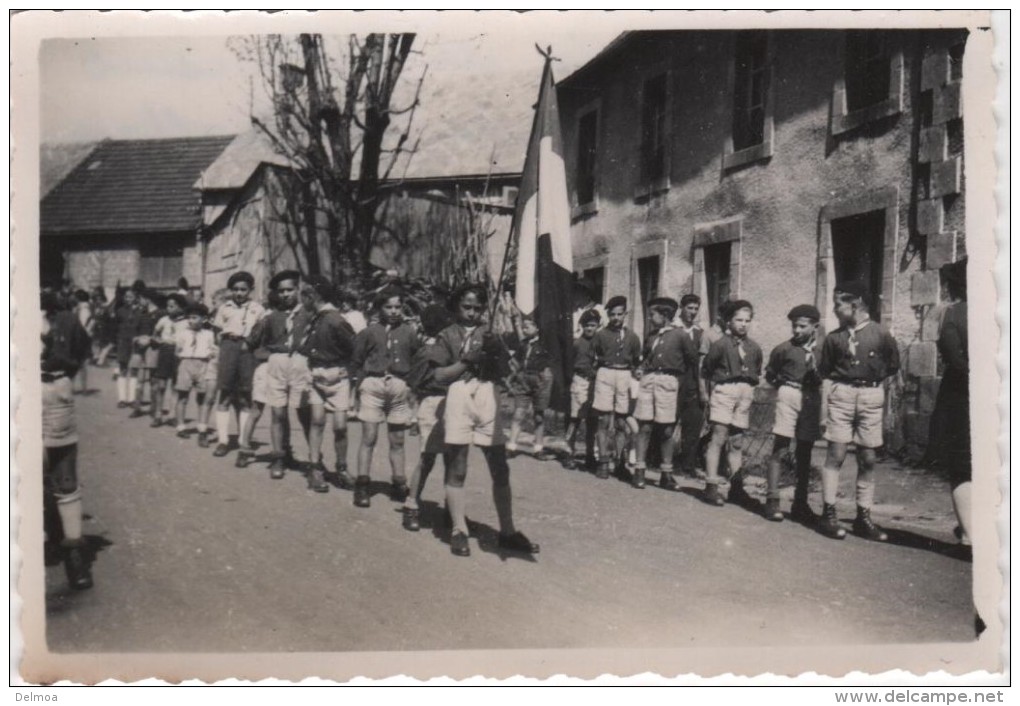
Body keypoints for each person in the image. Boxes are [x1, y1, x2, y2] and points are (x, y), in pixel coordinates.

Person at [435, 283, 539, 557]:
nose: (472, 313)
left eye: (478, 308)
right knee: (457, 465)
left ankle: (507, 530)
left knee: (499, 465)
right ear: (457, 307)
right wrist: (468, 360)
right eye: (466, 307)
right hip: (458, 394)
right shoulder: (446, 335)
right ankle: (459, 529)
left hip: (487, 395)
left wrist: (495, 350)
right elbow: (439, 376)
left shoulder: (492, 334)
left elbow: (507, 370)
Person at [817, 282, 901, 541]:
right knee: (836, 453)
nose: (834, 310)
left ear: (854, 306)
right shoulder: (834, 338)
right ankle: (828, 513)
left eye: (837, 305)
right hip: (842, 394)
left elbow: (892, 365)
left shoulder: (881, 334)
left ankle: (863, 517)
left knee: (867, 458)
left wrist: (871, 384)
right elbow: (825, 370)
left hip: (871, 396)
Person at [41, 290, 94, 590]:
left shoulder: (66, 319)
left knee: (64, 475)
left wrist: (59, 375)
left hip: (53, 395)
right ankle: (40, 540)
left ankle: (74, 551)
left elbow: (80, 351)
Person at [351, 287, 420, 507]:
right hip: (374, 384)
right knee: (369, 437)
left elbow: (417, 360)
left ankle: (399, 481)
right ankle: (362, 484)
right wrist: (356, 390)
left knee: (397, 440)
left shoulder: (409, 332)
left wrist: (411, 388)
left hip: (399, 386)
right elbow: (357, 361)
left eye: (397, 307)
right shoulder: (370, 332)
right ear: (380, 308)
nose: (393, 311)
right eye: (388, 307)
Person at [248, 271, 313, 480]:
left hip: (301, 364)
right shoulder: (271, 317)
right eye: (281, 291)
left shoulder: (309, 314)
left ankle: (314, 460)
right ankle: (279, 456)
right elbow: (252, 341)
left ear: (297, 290)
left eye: (290, 290)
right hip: (277, 364)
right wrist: (266, 355)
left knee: (305, 414)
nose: (285, 294)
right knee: (278, 413)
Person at [764, 304, 824, 523]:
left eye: (802, 326)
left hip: (811, 397)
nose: (797, 331)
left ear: (815, 326)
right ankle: (772, 500)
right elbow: (770, 374)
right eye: (794, 326)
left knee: (805, 449)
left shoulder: (822, 351)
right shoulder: (783, 349)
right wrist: (782, 386)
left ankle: (800, 502)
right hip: (788, 394)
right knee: (780, 446)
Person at [700, 300, 763, 508]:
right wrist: (705, 394)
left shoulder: (754, 347)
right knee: (719, 436)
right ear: (729, 321)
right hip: (725, 391)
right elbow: (706, 370)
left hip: (745, 392)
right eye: (739, 320)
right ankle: (711, 485)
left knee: (737, 441)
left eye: (747, 320)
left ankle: (736, 487)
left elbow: (756, 370)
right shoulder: (720, 344)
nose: (743, 324)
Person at [298, 275, 357, 493]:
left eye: (304, 296)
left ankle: (341, 468)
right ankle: (315, 468)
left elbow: (354, 348)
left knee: (340, 426)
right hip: (316, 375)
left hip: (337, 377)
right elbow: (306, 346)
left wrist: (347, 370)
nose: (302, 300)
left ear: (312, 297)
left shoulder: (335, 320)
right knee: (317, 421)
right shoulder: (314, 318)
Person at [633, 297, 697, 491]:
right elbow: (645, 357)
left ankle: (666, 474)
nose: (650, 318)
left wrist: (683, 386)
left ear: (665, 315)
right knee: (644, 426)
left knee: (667, 429)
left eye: (653, 314)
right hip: (648, 381)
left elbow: (692, 361)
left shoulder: (681, 335)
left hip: (669, 383)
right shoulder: (651, 335)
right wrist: (641, 369)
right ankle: (639, 470)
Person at [401, 304, 452, 531]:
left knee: (449, 459)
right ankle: (411, 504)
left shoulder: (449, 347)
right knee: (428, 457)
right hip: (433, 403)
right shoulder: (429, 350)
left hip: (451, 402)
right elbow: (414, 381)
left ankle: (452, 509)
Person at [932, 259, 971, 547]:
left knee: (963, 467)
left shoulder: (952, 314)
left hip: (962, 399)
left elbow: (955, 361)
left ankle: (970, 533)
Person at [211, 271, 266, 458]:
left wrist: (249, 344)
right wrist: (225, 345)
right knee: (225, 394)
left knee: (245, 396)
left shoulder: (258, 309)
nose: (239, 293)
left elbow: (261, 331)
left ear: (250, 290)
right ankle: (223, 441)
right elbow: (217, 330)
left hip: (247, 349)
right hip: (228, 347)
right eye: (235, 289)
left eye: (243, 289)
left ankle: (244, 440)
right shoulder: (224, 307)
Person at [590, 296, 642, 480]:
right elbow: (591, 357)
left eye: (620, 314)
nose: (616, 318)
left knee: (622, 421)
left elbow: (636, 361)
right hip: (605, 373)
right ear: (608, 315)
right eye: (612, 314)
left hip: (624, 375)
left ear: (625, 315)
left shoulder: (632, 337)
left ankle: (619, 461)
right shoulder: (600, 335)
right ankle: (603, 461)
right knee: (603, 420)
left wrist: (636, 374)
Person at [506, 315, 556, 461]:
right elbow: (515, 361)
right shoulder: (523, 344)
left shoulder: (545, 344)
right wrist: (514, 374)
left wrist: (545, 376)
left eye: (528, 326)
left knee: (539, 416)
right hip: (523, 381)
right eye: (523, 326)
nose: (524, 329)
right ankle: (511, 446)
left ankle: (538, 448)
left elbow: (552, 362)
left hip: (540, 381)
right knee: (518, 414)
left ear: (537, 328)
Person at [673, 294, 709, 479]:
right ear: (682, 307)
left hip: (693, 382)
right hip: (674, 381)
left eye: (696, 309)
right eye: (690, 308)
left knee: (693, 424)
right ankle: (660, 460)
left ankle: (687, 465)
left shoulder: (699, 332)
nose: (693, 312)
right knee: (668, 422)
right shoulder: (672, 329)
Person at [563, 308, 601, 471]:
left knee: (593, 422)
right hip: (580, 381)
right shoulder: (577, 343)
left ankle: (590, 455)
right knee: (574, 419)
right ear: (582, 326)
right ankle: (568, 453)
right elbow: (569, 364)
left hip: (595, 383)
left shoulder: (600, 342)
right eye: (586, 326)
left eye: (592, 325)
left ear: (598, 326)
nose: (589, 329)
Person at [174, 302, 216, 438]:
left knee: (202, 396)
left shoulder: (209, 334)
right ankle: (180, 426)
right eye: (189, 318)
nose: (191, 320)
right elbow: (177, 350)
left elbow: (212, 349)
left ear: (204, 319)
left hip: (203, 364)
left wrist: (211, 354)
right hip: (186, 363)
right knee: (182, 396)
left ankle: (202, 426)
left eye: (195, 317)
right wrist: (183, 357)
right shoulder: (183, 333)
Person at [149, 293, 188, 427]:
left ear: (181, 308)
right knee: (161, 385)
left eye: (172, 306)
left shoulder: (186, 322)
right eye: (168, 306)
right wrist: (158, 340)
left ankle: (172, 414)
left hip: (179, 353)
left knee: (176, 385)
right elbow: (154, 334)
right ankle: (158, 415)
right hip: (165, 351)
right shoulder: (164, 320)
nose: (169, 309)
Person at [197, 288, 228, 448]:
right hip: (215, 359)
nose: (213, 305)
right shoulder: (211, 320)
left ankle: (225, 437)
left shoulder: (231, 316)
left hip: (229, 359)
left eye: (215, 302)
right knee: (209, 396)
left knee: (227, 399)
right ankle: (202, 430)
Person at [129, 288, 161, 418]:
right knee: (139, 379)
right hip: (141, 350)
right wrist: (137, 338)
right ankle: (137, 407)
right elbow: (135, 331)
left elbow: (161, 334)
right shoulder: (141, 313)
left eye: (141, 298)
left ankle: (154, 409)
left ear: (148, 299)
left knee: (154, 381)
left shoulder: (160, 314)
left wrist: (150, 340)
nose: (140, 301)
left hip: (153, 349)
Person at [114, 287, 142, 408]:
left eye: (130, 297)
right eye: (126, 297)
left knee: (134, 369)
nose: (128, 299)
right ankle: (122, 398)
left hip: (135, 342)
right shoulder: (120, 311)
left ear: (136, 298)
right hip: (123, 341)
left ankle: (132, 398)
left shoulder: (140, 311)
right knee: (123, 368)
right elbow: (116, 326)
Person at [71, 290, 95, 394]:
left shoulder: (83, 310)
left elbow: (82, 325)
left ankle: (74, 387)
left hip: (80, 338)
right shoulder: (84, 308)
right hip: (83, 338)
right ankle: (83, 388)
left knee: (76, 363)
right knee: (81, 364)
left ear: (78, 298)